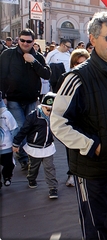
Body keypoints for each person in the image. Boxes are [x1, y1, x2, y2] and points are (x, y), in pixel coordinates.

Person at [50, 11, 107, 239]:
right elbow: (59, 122)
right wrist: (93, 146)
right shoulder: (77, 78)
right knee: (97, 228)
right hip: (92, 169)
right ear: (93, 39)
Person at [0, 28, 51, 170]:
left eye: (28, 41)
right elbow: (2, 76)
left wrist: (34, 61)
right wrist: (3, 96)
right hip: (13, 99)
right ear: (18, 40)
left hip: (31, 99)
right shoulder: (8, 54)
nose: (25, 43)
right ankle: (23, 158)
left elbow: (47, 74)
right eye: (22, 40)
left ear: (33, 42)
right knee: (20, 128)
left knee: (29, 128)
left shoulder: (38, 56)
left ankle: (27, 156)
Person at [53, 48, 90, 188]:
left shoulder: (94, 79)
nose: (80, 66)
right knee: (73, 147)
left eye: (84, 63)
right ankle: (72, 173)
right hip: (72, 120)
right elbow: (59, 100)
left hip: (88, 119)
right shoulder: (66, 77)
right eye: (77, 63)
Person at [12, 92, 58, 199]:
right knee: (33, 167)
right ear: (42, 106)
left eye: (53, 110)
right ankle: (31, 178)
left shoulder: (54, 117)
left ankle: (53, 188)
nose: (50, 112)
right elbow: (23, 130)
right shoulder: (33, 117)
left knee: (50, 168)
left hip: (48, 147)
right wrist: (16, 143)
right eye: (48, 109)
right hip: (34, 147)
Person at [0, 93, 18, 188]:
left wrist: (15, 143)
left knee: (8, 164)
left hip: (6, 146)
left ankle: (7, 177)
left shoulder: (6, 114)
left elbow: (14, 128)